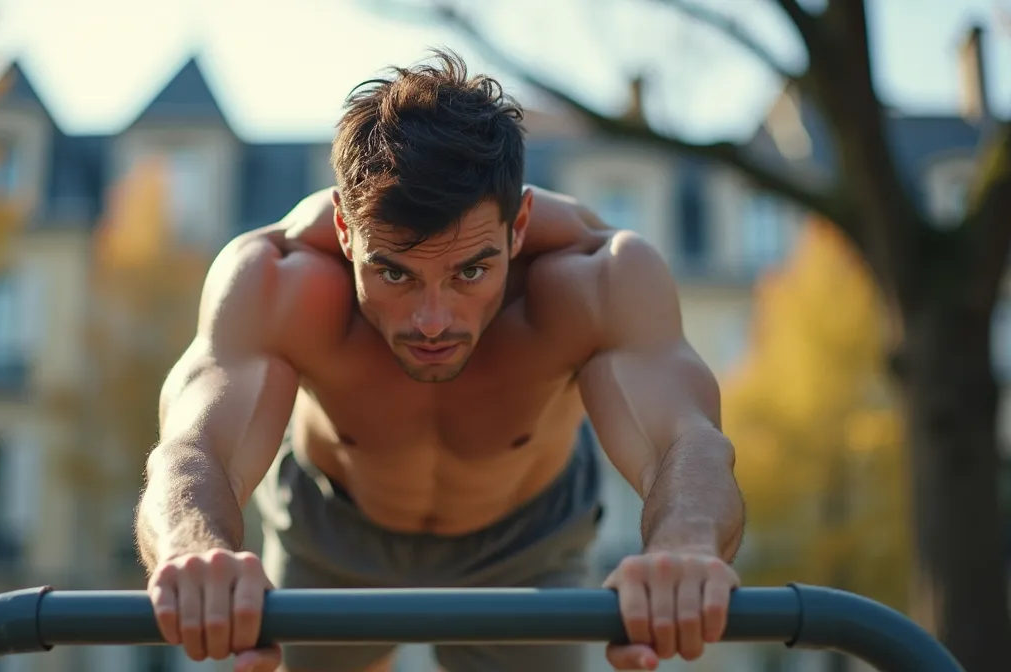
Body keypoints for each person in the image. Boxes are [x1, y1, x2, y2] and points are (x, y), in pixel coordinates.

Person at [136, 49, 745, 672]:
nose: (433, 320)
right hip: (332, 533)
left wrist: (685, 548)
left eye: (471, 271)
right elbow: (193, 449)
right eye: (394, 272)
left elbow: (687, 443)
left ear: (518, 226)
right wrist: (190, 549)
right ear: (346, 231)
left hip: (525, 543)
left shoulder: (598, 277)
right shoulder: (277, 278)